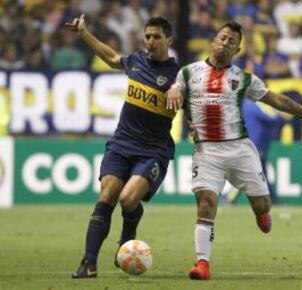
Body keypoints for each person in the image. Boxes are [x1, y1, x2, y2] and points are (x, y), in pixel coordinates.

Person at [166, 22, 302, 280]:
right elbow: (175, 89)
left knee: (262, 204)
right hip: (206, 151)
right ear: (213, 41)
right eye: (222, 38)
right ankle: (202, 264)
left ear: (237, 49)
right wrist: (173, 91)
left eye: (231, 41)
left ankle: (262, 213)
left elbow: (277, 99)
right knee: (207, 203)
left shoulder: (243, 78)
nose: (225, 43)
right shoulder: (189, 73)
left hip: (240, 150)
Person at [65, 15, 178, 279]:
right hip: (121, 143)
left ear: (168, 40)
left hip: (153, 150)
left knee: (128, 200)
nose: (150, 41)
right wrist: (84, 32)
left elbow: (194, 107)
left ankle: (128, 234)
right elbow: (113, 58)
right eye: (147, 36)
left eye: (156, 37)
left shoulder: (178, 76)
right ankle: (88, 263)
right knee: (106, 198)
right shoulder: (137, 60)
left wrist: (195, 125)